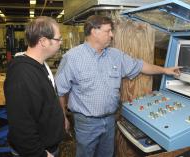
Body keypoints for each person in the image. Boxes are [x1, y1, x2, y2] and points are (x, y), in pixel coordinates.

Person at [55, 15, 180, 157]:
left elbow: (140, 66)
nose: (112, 35)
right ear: (94, 31)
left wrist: (165, 70)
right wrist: (63, 117)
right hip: (86, 122)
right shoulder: (72, 57)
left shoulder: (115, 55)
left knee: (107, 154)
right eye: (108, 31)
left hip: (109, 120)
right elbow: (60, 90)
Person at [4, 16, 64, 157]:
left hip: (48, 146)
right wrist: (40, 154)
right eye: (58, 39)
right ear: (43, 41)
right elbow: (21, 125)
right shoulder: (22, 74)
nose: (60, 43)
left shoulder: (39, 65)